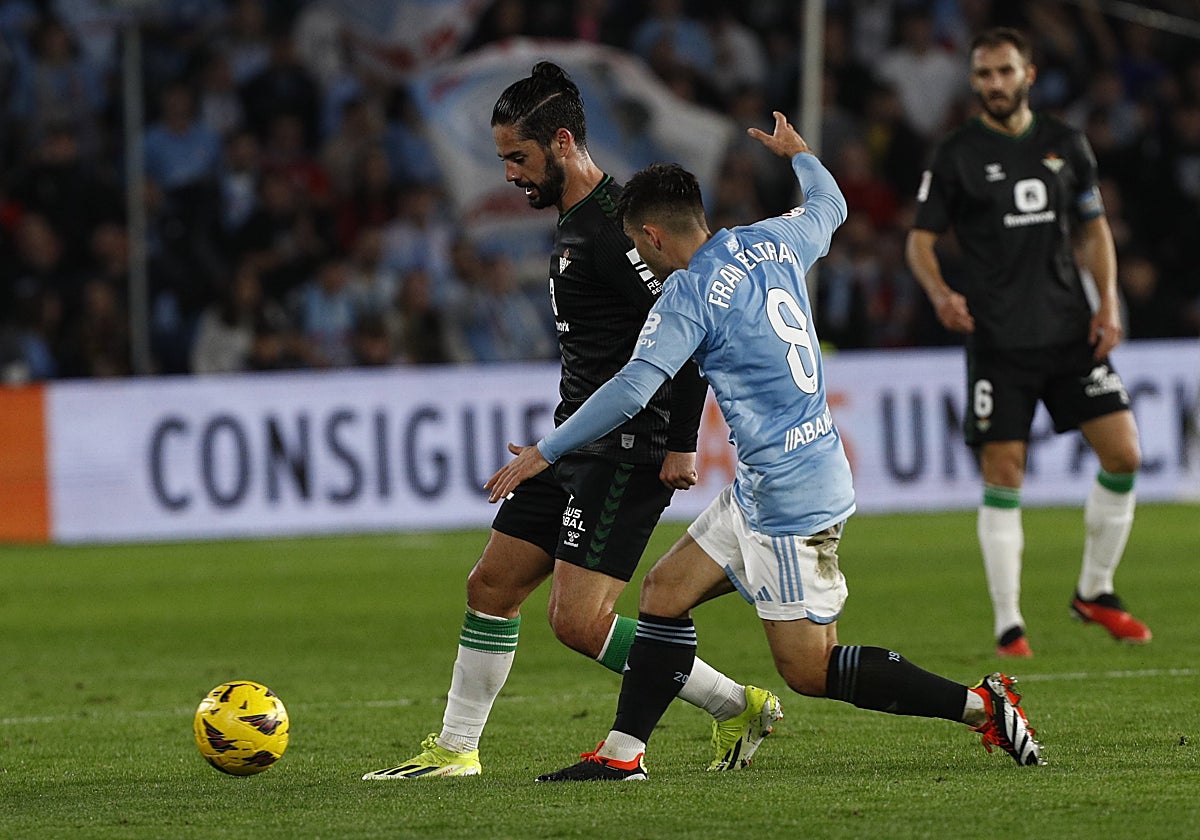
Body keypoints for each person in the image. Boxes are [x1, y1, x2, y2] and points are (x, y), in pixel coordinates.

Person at [485, 111, 1044, 782]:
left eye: (640, 245)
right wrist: (801, 154)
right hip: (777, 479)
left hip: (790, 504)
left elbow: (632, 388)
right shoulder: (775, 239)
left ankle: (984, 706)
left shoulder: (687, 295)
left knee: (809, 669)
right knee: (663, 592)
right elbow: (831, 204)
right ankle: (622, 755)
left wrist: (543, 452)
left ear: (654, 235)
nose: (642, 256)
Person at [361, 62, 781, 781]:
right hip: (574, 439)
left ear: (560, 143)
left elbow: (688, 333)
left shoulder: (621, 234)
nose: (509, 175)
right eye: (502, 160)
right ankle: (456, 751)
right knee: (490, 586)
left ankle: (733, 703)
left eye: (517, 158)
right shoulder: (573, 223)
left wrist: (682, 442)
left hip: (628, 449)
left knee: (578, 623)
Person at [904, 28, 1150, 659]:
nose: (994, 85)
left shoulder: (1066, 144)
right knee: (1004, 471)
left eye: (1004, 72)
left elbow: (1095, 232)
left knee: (1124, 454)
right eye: (983, 75)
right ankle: (1010, 625)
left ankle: (1095, 590)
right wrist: (938, 294)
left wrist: (1109, 304)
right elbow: (920, 241)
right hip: (999, 340)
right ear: (974, 81)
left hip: (1071, 329)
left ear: (1029, 74)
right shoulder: (956, 152)